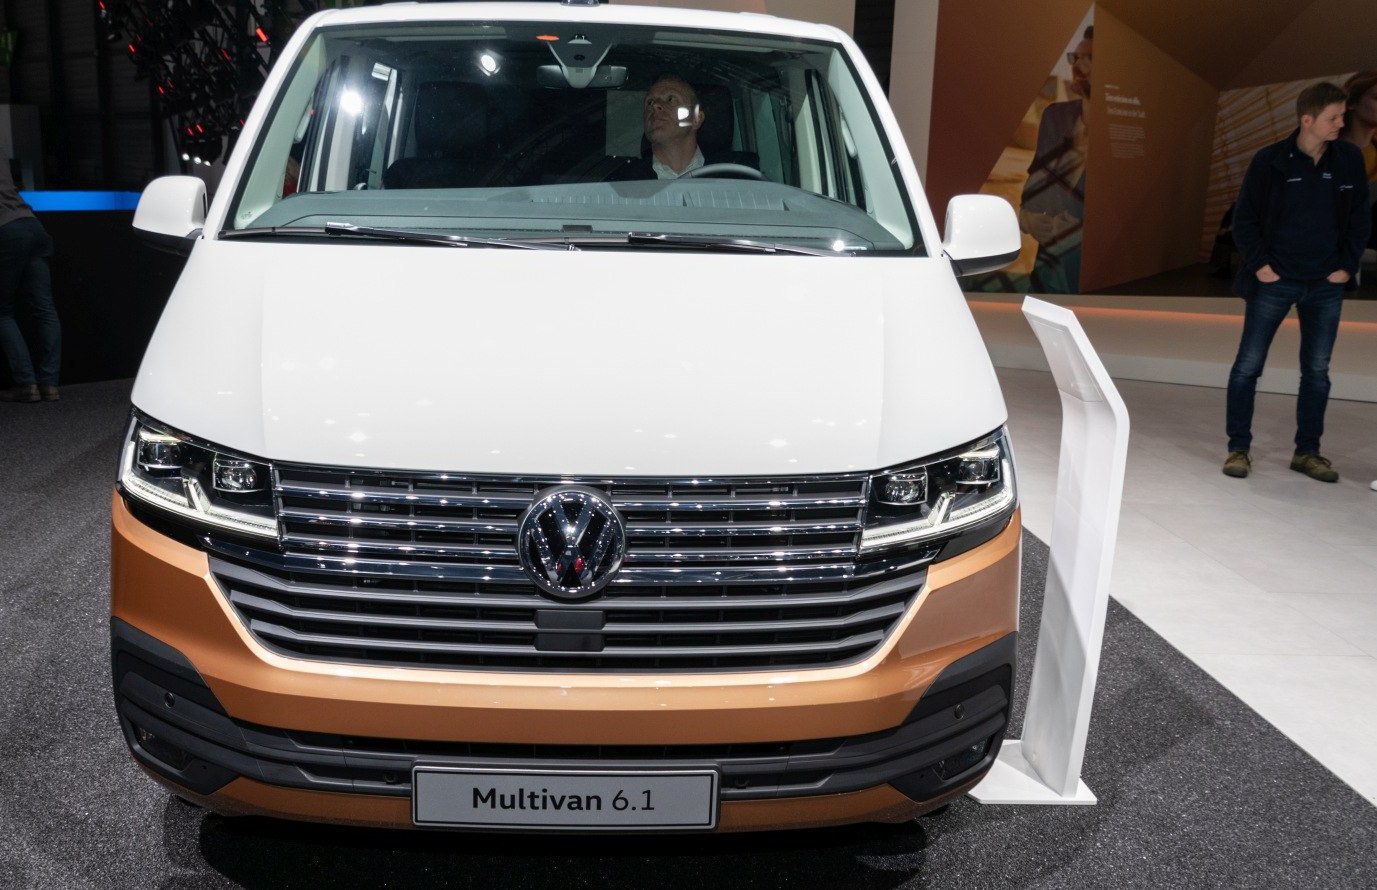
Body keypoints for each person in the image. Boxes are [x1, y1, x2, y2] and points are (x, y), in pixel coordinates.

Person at [1222, 82, 1369, 482]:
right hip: (1275, 280)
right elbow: (1244, 219)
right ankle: (1238, 449)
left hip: (1326, 284)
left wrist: (1347, 265)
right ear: (1307, 120)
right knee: (1248, 367)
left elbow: (1360, 217)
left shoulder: (1349, 159)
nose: (1341, 123)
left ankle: (1308, 453)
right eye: (1333, 118)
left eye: (1342, 116)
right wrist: (1260, 266)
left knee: (1317, 371)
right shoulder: (1270, 160)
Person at [1020, 25, 1092, 294]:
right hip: (1048, 274)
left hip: (1091, 278)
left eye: (1089, 58)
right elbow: (1034, 192)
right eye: (1075, 57)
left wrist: (1083, 232)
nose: (1077, 65)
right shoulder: (1056, 117)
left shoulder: (1120, 134)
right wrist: (1026, 218)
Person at [610, 74, 755, 181]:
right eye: (649, 102)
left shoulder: (739, 174)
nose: (655, 106)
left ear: (696, 118)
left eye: (670, 99)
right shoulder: (622, 181)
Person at [0, 160, 59, 403]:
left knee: (2, 312)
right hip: (32, 223)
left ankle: (26, 384)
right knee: (44, 308)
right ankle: (49, 384)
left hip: (5, 228)